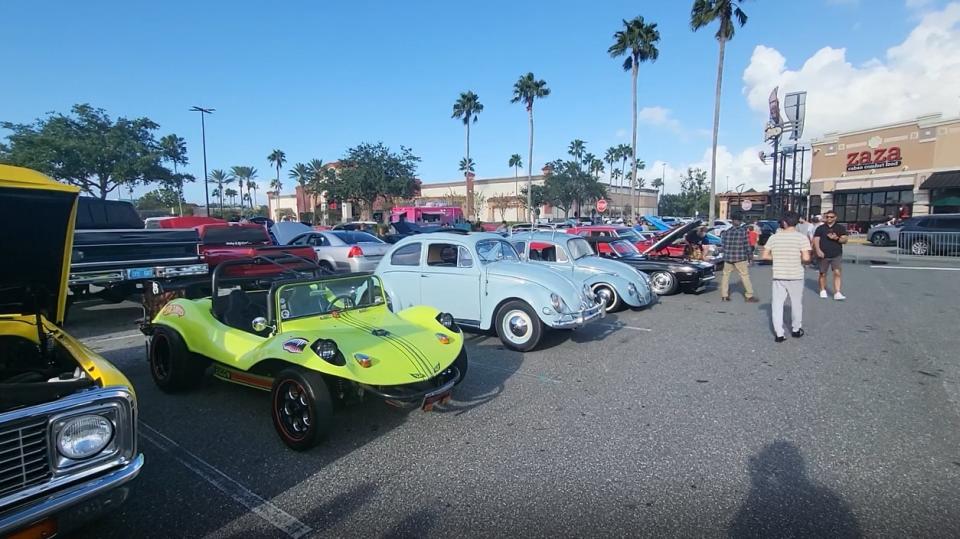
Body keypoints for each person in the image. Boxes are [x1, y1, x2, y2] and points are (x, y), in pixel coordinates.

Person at [762, 211, 812, 342]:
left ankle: (779, 333)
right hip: (796, 275)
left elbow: (765, 256)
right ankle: (796, 329)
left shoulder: (774, 237)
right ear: (796, 222)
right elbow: (806, 258)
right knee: (796, 304)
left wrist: (777, 257)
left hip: (779, 275)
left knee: (777, 304)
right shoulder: (801, 238)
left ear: (784, 222)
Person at [719, 213, 757, 303]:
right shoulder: (743, 232)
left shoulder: (726, 232)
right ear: (740, 221)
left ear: (732, 221)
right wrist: (750, 257)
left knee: (725, 276)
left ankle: (724, 295)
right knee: (744, 276)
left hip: (728, 258)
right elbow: (747, 246)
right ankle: (749, 295)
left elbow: (723, 246)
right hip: (740, 258)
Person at [813, 210, 848, 300]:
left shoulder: (840, 228)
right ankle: (822, 290)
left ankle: (837, 292)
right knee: (823, 273)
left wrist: (836, 238)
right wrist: (818, 250)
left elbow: (845, 240)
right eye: (827, 217)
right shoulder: (820, 228)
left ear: (835, 218)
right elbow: (816, 240)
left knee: (837, 272)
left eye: (831, 217)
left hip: (836, 254)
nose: (829, 218)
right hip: (823, 254)